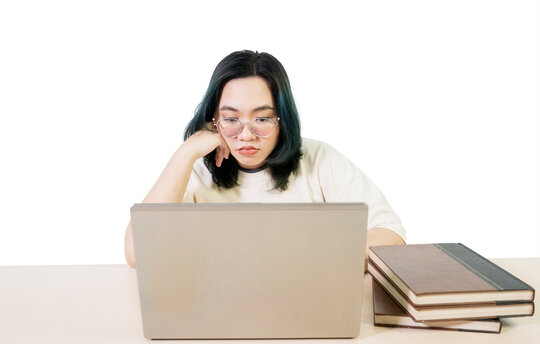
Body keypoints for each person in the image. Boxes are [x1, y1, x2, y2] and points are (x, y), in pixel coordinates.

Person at [124, 50, 406, 269]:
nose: (246, 135)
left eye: (261, 118)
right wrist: (185, 153)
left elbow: (391, 236)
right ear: (213, 119)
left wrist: (312, 260)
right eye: (231, 119)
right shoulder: (195, 170)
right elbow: (139, 253)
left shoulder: (319, 160)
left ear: (282, 118)